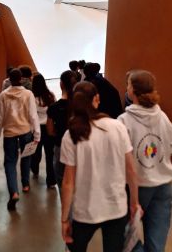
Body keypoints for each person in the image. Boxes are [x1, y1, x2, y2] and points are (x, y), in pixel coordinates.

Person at [60, 81, 140, 252]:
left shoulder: (72, 134)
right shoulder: (117, 126)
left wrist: (65, 218)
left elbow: (68, 182)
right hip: (116, 207)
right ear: (97, 99)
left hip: (85, 210)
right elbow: (131, 170)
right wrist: (134, 202)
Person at [118, 70, 172, 252]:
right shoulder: (163, 116)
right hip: (164, 185)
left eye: (128, 84)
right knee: (157, 240)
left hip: (137, 188)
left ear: (133, 90)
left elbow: (120, 157)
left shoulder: (124, 121)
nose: (126, 87)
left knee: (127, 235)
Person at [0, 68, 40, 210]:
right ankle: (25, 184)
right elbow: (33, 115)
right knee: (26, 157)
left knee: (10, 162)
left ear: (9, 79)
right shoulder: (28, 94)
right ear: (21, 79)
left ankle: (14, 192)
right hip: (25, 130)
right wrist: (37, 134)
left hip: (9, 133)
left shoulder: (3, 95)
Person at [47, 70, 78, 191]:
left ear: (61, 84)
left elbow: (50, 130)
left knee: (62, 180)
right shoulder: (80, 105)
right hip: (80, 145)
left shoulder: (54, 107)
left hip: (61, 146)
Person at [30, 72, 57, 188]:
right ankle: (51, 181)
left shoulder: (32, 97)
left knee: (36, 152)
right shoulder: (51, 96)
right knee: (50, 155)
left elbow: (30, 114)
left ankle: (35, 169)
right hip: (49, 127)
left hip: (37, 128)